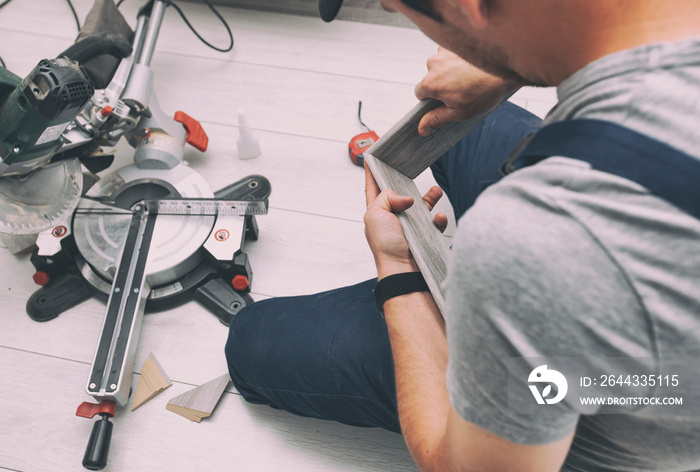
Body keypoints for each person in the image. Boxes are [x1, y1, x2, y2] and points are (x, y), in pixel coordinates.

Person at [226, 0, 700, 470]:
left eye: (403, 13)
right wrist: (507, 67)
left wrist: (400, 270)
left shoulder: (537, 237)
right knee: (472, 118)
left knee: (252, 341)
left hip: (621, 402)